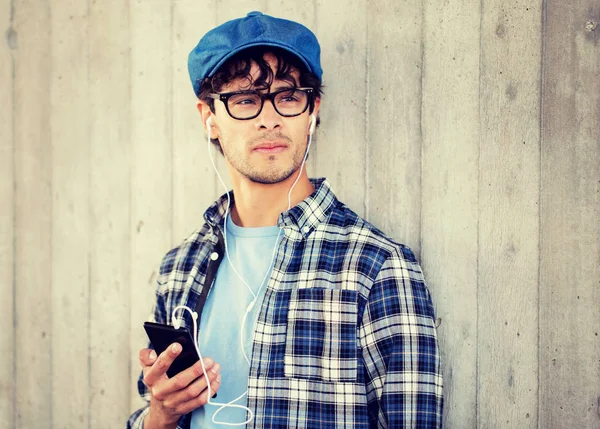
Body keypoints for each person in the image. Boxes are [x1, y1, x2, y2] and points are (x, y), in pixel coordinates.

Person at [127, 11, 443, 429]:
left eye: (288, 96)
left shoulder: (376, 267)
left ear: (312, 110)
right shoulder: (179, 267)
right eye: (244, 100)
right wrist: (161, 414)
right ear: (209, 119)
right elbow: (155, 413)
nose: (269, 117)